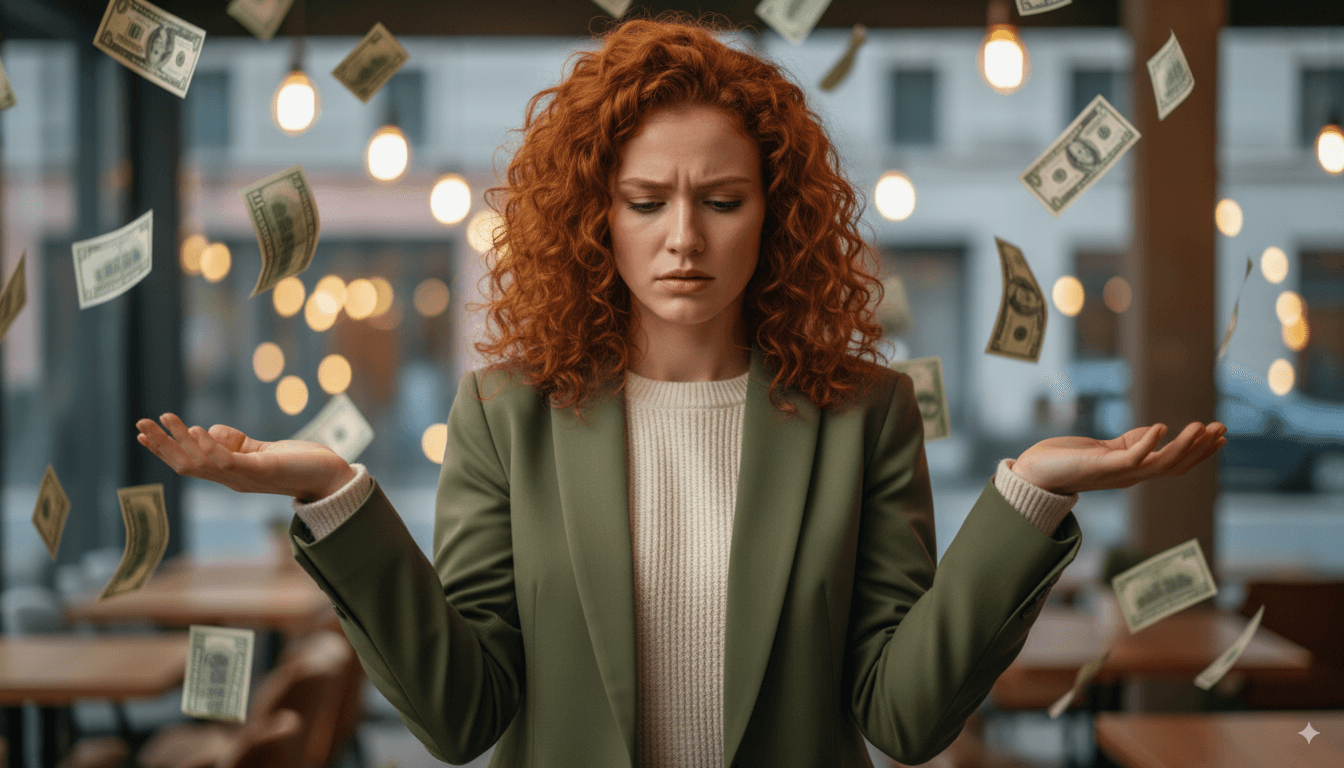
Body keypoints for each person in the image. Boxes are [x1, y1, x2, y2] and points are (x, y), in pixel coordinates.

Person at [135, 16, 1226, 768]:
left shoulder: (864, 413)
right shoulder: (505, 414)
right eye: (647, 199)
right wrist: (334, 494)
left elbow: (901, 716)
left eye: (723, 198)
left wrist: (1031, 493)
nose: (684, 238)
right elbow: (465, 716)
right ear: (595, 218)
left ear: (779, 214)